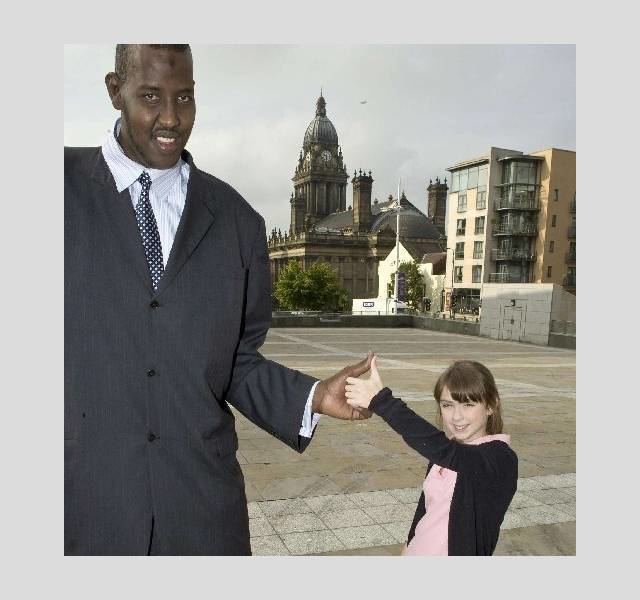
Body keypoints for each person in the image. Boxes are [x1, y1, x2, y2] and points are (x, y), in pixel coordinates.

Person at [64, 43, 372, 556]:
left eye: (184, 98)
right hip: (82, 510)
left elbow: (236, 363)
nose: (170, 117)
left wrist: (313, 395)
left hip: (203, 516)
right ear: (114, 91)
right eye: (150, 96)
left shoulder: (238, 222)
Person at [345, 357, 518, 556]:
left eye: (468, 405)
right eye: (447, 405)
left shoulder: (499, 458)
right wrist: (407, 548)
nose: (456, 416)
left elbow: (450, 453)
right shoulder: (447, 452)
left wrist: (383, 402)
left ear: (490, 405)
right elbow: (425, 510)